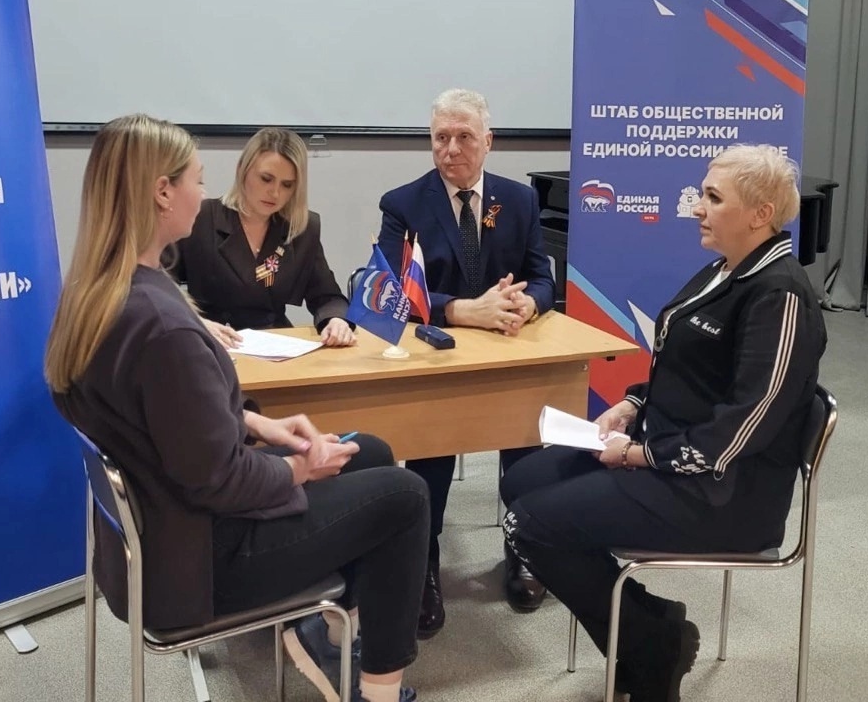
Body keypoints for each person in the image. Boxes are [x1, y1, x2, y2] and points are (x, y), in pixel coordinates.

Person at [47, 114, 429, 702]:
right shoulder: (165, 327)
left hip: (161, 533)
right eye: (197, 179)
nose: (204, 191)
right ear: (163, 192)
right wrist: (300, 466)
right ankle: (376, 693)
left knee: (370, 451)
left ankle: (331, 638)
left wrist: (255, 421)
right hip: (201, 561)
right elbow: (220, 480)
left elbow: (167, 421)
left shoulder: (103, 291)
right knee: (405, 495)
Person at [500, 144, 827, 702]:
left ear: (761, 214)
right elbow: (690, 371)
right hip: (670, 455)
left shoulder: (781, 296)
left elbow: (743, 427)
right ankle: (652, 628)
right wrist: (633, 405)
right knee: (522, 483)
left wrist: (638, 455)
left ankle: (651, 645)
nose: (697, 207)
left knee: (532, 525)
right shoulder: (726, 269)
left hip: (724, 494)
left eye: (713, 197)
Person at [377, 88, 555, 635]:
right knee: (432, 452)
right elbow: (389, 290)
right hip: (440, 356)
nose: (451, 149)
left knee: (525, 442)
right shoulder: (403, 204)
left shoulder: (519, 201)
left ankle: (522, 544)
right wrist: (459, 309)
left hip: (508, 352)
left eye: (464, 137)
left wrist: (528, 304)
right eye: (441, 137)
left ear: (488, 142)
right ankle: (423, 559)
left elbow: (543, 278)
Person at [168, 127, 355, 350]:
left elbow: (328, 296)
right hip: (213, 342)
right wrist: (195, 322)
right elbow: (158, 285)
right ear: (242, 170)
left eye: (287, 185)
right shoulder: (201, 217)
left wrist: (336, 321)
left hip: (274, 344)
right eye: (266, 179)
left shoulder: (301, 228)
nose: (275, 193)